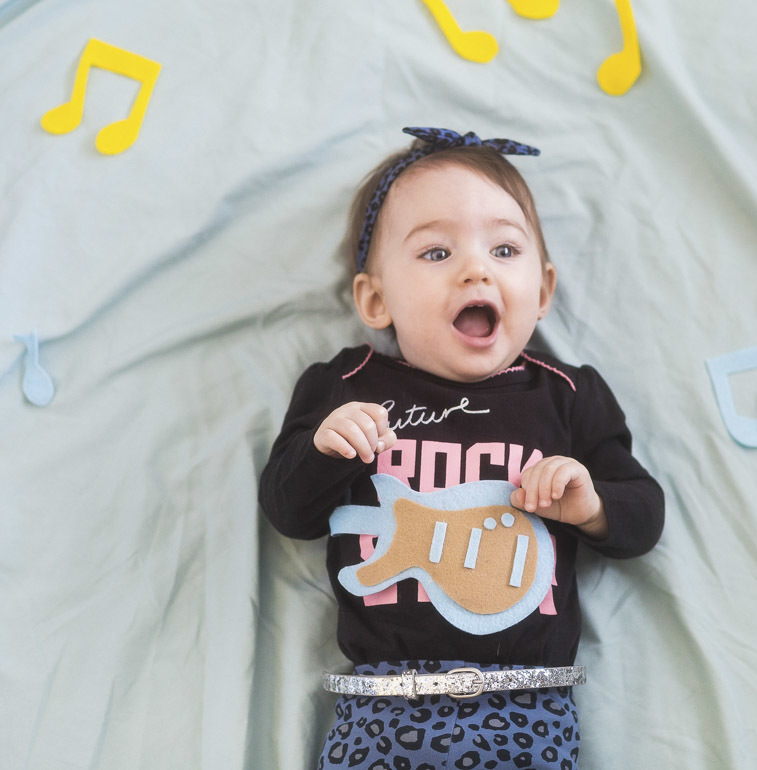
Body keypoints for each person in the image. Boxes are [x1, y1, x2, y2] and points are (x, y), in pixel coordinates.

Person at [260, 126, 664, 770]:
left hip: (527, 703)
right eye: (435, 253)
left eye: (505, 248)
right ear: (375, 298)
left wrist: (592, 506)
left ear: (542, 290)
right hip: (380, 705)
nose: (476, 267)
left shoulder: (566, 395)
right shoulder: (345, 385)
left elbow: (643, 513)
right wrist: (324, 449)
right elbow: (288, 510)